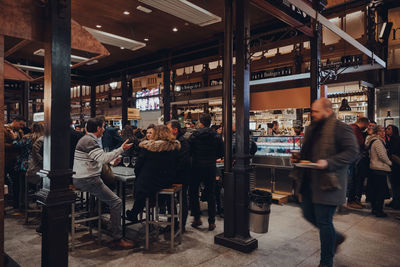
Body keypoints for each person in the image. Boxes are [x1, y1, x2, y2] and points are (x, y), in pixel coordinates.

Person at [292, 98, 358, 267]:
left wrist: (329, 162)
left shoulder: (341, 128)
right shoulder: (311, 129)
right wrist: (299, 158)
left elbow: (352, 152)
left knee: (324, 221)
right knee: (307, 213)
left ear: (327, 111)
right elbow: (308, 153)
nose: (312, 114)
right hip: (308, 182)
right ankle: (336, 237)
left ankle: (326, 262)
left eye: (315, 111)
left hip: (328, 184)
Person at [72, 117, 134, 248]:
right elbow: (103, 157)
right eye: (104, 127)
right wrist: (121, 149)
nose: (104, 130)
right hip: (88, 180)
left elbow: (96, 160)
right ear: (99, 128)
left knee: (111, 199)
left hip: (81, 178)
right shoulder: (89, 140)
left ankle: (105, 223)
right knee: (116, 202)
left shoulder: (86, 139)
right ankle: (117, 238)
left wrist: (110, 162)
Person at [126, 125, 181, 223]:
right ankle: (168, 214)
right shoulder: (174, 147)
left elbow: (138, 166)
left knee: (141, 184)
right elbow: (177, 165)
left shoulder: (148, 147)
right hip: (168, 181)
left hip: (149, 183)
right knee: (146, 184)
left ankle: (135, 212)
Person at [189, 113, 224, 231]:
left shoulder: (194, 135)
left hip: (196, 167)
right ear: (210, 122)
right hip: (210, 167)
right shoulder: (216, 136)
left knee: (193, 192)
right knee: (211, 193)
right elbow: (221, 153)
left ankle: (197, 218)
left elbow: (190, 151)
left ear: (201, 122)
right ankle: (211, 222)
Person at [167, 120, 191, 232]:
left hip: (181, 177)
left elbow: (183, 162)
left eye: (168, 129)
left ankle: (181, 225)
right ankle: (172, 223)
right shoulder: (171, 142)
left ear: (175, 130)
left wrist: (171, 173)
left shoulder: (183, 142)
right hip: (172, 176)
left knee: (182, 201)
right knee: (170, 200)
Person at [365, 125, 392, 217]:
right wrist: (390, 163)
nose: (383, 133)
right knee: (380, 192)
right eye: (381, 131)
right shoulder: (378, 142)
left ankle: (375, 209)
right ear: (377, 132)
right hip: (379, 168)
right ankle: (378, 210)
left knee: (375, 191)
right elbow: (382, 156)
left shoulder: (372, 140)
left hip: (373, 168)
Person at [347, 117, 369, 209]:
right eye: (366, 125)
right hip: (353, 159)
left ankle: (352, 200)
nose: (367, 127)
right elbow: (359, 143)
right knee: (353, 180)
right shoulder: (355, 129)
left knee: (354, 180)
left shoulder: (352, 128)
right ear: (363, 123)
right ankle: (351, 201)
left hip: (352, 158)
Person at [4, 116, 26, 209]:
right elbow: (2, 144)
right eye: (20, 124)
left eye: (23, 125)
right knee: (5, 183)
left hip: (16, 161)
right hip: (6, 160)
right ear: (15, 121)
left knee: (17, 182)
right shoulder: (4, 130)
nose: (21, 127)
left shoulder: (20, 131)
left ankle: (16, 204)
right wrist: (14, 143)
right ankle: (4, 206)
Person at [385, 125, 400, 210]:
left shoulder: (397, 140)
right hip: (392, 166)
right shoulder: (389, 140)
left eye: (389, 129)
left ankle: (397, 202)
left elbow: (393, 152)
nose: (387, 130)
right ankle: (395, 200)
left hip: (396, 166)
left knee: (396, 184)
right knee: (393, 184)